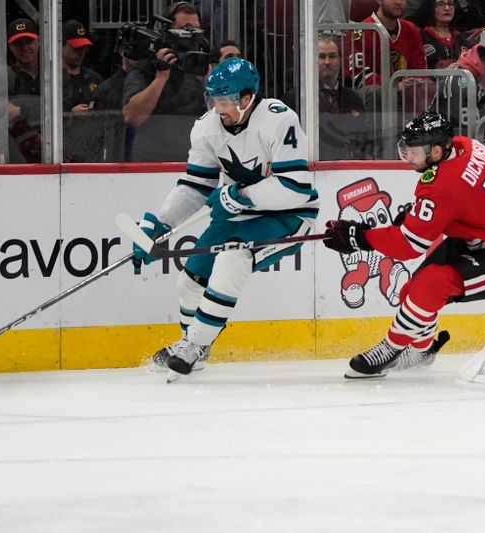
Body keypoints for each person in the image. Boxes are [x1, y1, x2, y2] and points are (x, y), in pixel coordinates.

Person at [132, 58, 319, 378]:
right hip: (237, 214)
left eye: (224, 101)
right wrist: (162, 224)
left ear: (246, 98)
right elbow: (195, 186)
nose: (217, 109)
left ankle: (194, 344)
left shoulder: (279, 119)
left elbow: (296, 188)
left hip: (286, 214)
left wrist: (240, 195)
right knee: (189, 282)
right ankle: (198, 348)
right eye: (213, 101)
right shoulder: (206, 128)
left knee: (234, 257)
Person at [323, 111, 485, 377]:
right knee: (412, 290)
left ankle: (390, 349)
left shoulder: (440, 186)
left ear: (436, 150)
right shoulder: (465, 145)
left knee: (432, 284)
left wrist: (360, 237)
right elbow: (464, 200)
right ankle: (421, 351)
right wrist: (418, 214)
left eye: (415, 152)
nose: (409, 157)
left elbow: (408, 245)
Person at [121, 1, 209, 161]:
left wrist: (209, 86)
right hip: (150, 162)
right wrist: (161, 77)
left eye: (196, 30)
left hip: (190, 161)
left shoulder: (197, 68)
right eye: (185, 30)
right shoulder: (145, 69)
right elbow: (131, 117)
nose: (191, 36)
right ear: (168, 32)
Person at [281, 36, 372, 159]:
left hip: (350, 171)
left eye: (332, 56)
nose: (327, 62)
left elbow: (364, 141)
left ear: (340, 60)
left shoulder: (353, 99)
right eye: (322, 57)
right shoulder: (294, 99)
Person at [0, 18, 42, 163]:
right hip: (13, 151)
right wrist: (1, 109)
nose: (24, 48)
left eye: (28, 42)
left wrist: (23, 110)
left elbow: (64, 108)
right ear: (10, 47)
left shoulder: (53, 76)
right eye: (18, 44)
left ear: (39, 41)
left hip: (51, 149)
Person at [61, 19, 104, 162]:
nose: (81, 52)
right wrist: (70, 115)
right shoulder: (51, 81)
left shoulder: (95, 79)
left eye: (83, 47)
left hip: (91, 153)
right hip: (60, 152)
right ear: (61, 45)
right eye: (75, 47)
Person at [415, 0, 468, 69]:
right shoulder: (421, 37)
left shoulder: (460, 38)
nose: (447, 8)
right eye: (440, 4)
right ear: (431, 7)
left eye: (450, 3)